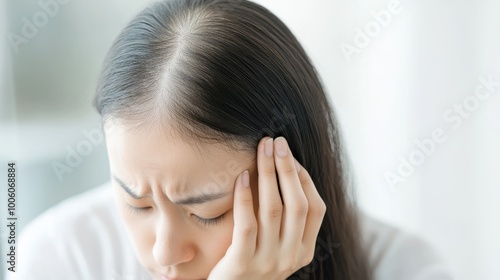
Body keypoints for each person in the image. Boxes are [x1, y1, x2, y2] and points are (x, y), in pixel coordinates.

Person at [6, 0, 455, 279]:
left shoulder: (405, 268)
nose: (163, 251)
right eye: (136, 202)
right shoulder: (59, 257)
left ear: (292, 180)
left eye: (206, 212)